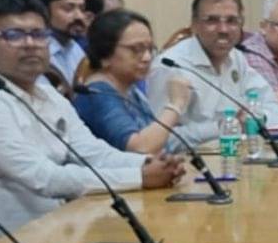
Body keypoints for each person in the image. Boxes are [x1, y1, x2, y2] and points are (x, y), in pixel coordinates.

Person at [0, 0, 184, 240]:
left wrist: (146, 165)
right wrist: (139, 177)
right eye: (13, 35)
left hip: (44, 236)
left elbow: (92, 153)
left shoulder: (50, 96)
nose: (30, 43)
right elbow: (44, 178)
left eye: (38, 34)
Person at [147, 0, 278, 145]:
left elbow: (275, 109)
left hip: (236, 156)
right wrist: (222, 127)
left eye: (232, 21)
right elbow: (162, 141)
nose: (223, 29)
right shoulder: (170, 67)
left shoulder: (237, 58)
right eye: (212, 21)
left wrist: (256, 119)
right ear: (194, 25)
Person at [73, 9, 194, 153]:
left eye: (150, 49)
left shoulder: (130, 88)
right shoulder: (97, 94)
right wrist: (176, 104)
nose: (147, 58)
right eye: (136, 49)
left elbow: (161, 145)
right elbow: (141, 148)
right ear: (104, 54)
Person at [32, 0, 88, 85]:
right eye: (68, 9)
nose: (79, 16)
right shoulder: (35, 50)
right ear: (44, 11)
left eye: (82, 9)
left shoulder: (75, 47)